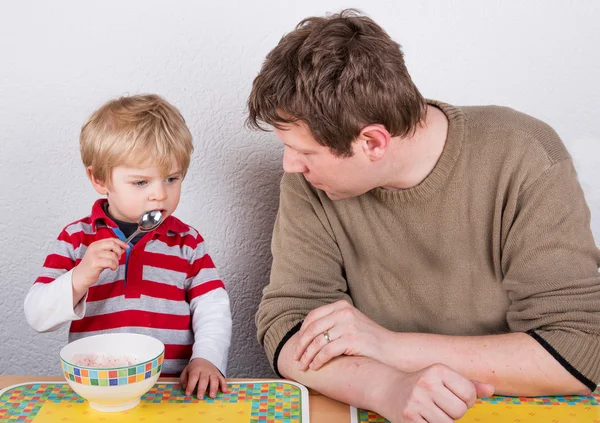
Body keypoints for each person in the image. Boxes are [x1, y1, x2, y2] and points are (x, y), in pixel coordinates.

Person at [248, 9, 600, 423]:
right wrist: (386, 388)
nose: (290, 165)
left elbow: (578, 349)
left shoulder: (524, 155)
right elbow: (287, 326)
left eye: (305, 152)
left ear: (373, 142)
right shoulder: (311, 182)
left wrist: (389, 346)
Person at [24, 94, 231, 399]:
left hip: (173, 390)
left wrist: (208, 358)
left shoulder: (188, 243)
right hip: (98, 391)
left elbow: (213, 307)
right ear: (100, 179)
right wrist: (79, 277)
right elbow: (37, 315)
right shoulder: (76, 239)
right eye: (141, 183)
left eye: (171, 178)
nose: (160, 194)